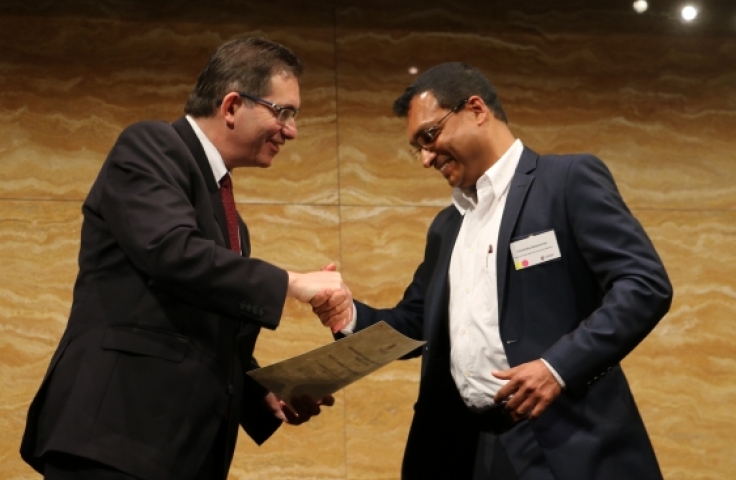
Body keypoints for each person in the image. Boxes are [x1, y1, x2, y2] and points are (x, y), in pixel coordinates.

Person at [314, 62, 673, 480]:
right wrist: (349, 316)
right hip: (467, 450)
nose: (426, 158)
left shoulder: (567, 181)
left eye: (429, 136)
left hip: (564, 441)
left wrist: (558, 367)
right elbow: (415, 325)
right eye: (418, 148)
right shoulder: (447, 227)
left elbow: (644, 284)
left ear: (476, 110)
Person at [20, 37, 352, 480]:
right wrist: (291, 282)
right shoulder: (150, 146)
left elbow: (198, 326)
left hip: (179, 454)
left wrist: (266, 394)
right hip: (115, 438)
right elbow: (170, 252)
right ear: (232, 105)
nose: (291, 130)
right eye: (284, 112)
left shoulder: (235, 222)